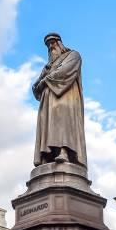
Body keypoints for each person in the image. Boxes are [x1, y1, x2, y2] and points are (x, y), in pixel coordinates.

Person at [32, 33, 87, 167]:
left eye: (53, 42)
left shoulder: (73, 55)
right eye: (48, 45)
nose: (51, 46)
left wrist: (46, 80)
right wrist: (42, 79)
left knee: (63, 122)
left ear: (60, 42)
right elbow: (35, 87)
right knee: (47, 125)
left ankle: (64, 151)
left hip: (65, 96)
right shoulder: (48, 67)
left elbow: (66, 71)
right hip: (47, 101)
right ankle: (47, 154)